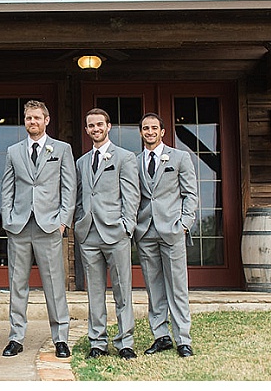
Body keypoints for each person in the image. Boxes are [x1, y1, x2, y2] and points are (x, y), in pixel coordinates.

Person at [0, 100, 76, 359]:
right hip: (19, 226)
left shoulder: (62, 150)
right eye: (28, 118)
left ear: (47, 120)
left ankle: (60, 338)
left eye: (36, 118)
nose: (32, 122)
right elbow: (6, 187)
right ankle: (16, 337)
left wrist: (63, 221)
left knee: (54, 284)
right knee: (17, 284)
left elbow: (69, 188)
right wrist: (7, 219)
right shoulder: (13, 151)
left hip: (49, 226)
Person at [74, 108, 139, 360]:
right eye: (91, 125)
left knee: (122, 290)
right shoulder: (81, 162)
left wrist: (126, 225)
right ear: (87, 130)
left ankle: (125, 342)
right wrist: (80, 221)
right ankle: (97, 342)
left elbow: (131, 195)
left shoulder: (124, 157)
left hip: (116, 232)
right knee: (95, 292)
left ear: (108, 126)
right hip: (89, 234)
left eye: (99, 124)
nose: (95, 129)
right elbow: (80, 196)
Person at [135, 112, 199, 358]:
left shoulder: (180, 158)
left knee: (177, 287)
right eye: (145, 128)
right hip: (146, 231)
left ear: (162, 131)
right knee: (154, 288)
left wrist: (184, 223)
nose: (149, 132)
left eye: (154, 128)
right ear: (141, 133)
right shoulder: (135, 161)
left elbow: (190, 194)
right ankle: (161, 336)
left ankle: (183, 338)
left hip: (172, 230)